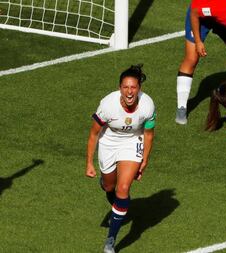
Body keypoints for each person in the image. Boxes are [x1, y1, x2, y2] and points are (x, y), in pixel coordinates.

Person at [85, 64, 156, 253]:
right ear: (120, 88)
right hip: (108, 142)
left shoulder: (147, 105)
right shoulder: (108, 105)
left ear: (139, 89)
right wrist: (89, 163)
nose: (130, 91)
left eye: (133, 87)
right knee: (109, 186)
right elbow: (94, 134)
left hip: (132, 142)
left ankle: (111, 240)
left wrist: (145, 160)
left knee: (123, 187)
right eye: (126, 87)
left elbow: (148, 135)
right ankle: (116, 200)